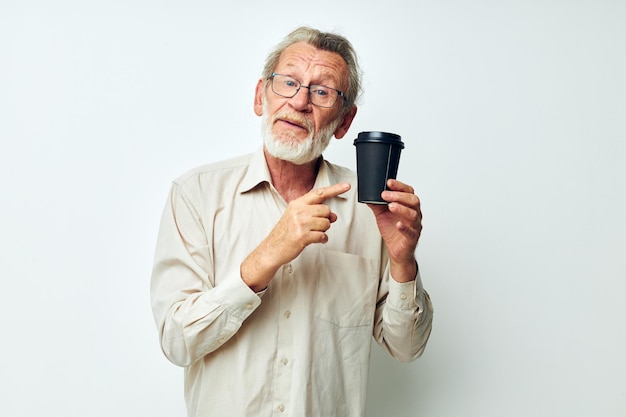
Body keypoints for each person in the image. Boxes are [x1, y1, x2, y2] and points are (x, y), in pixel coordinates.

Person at [150, 26, 433, 417]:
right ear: (259, 97)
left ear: (344, 122)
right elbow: (177, 340)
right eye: (288, 82)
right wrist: (267, 255)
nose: (299, 101)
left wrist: (404, 262)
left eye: (321, 92)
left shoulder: (372, 211)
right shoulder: (196, 195)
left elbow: (406, 347)